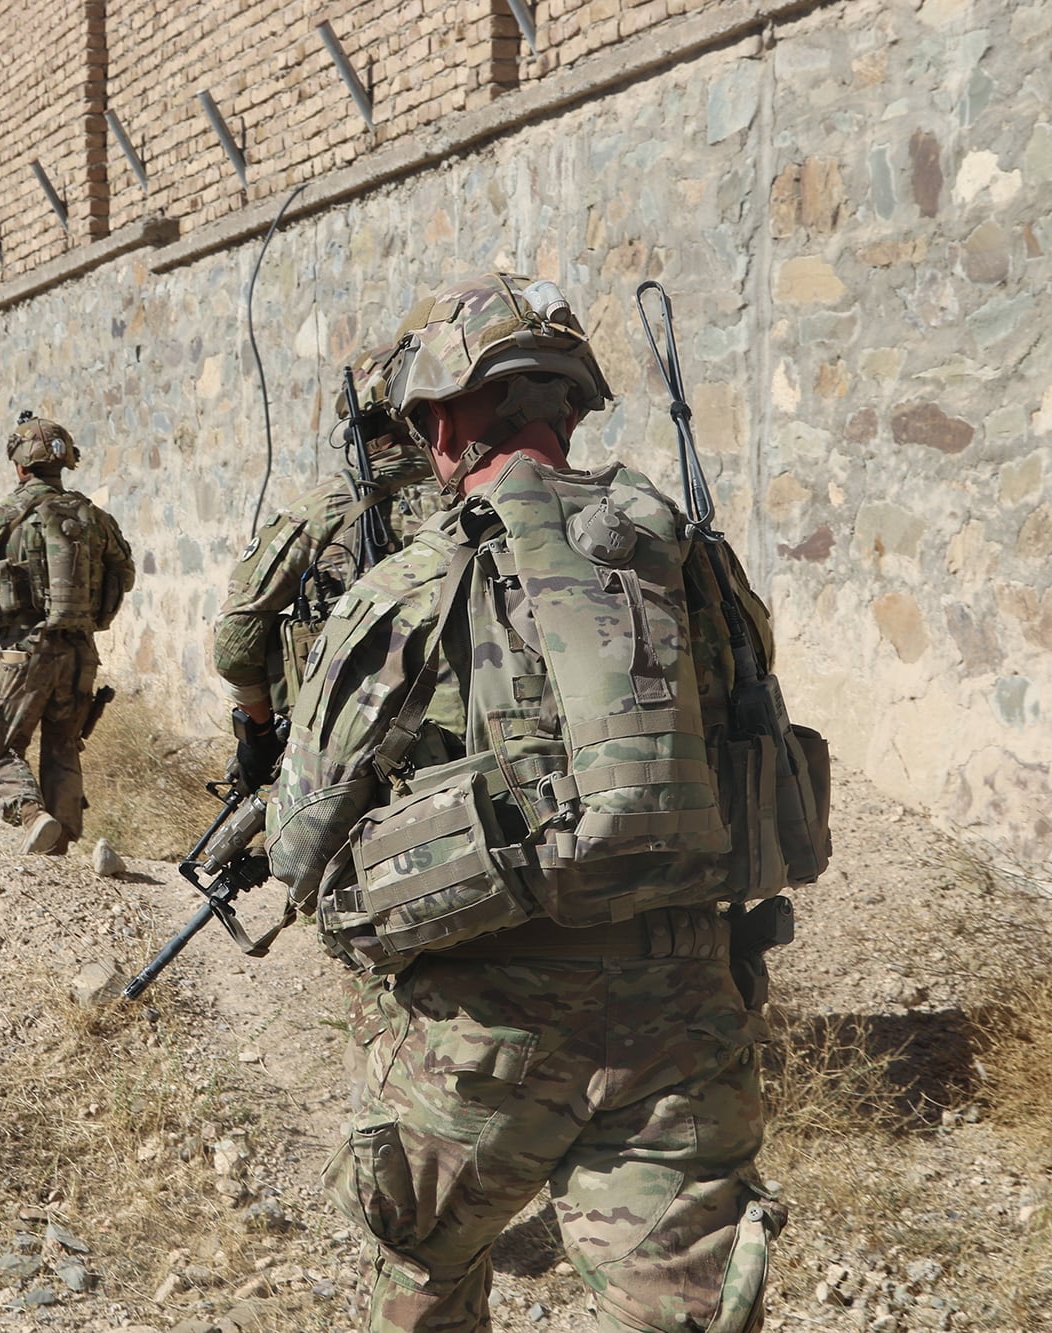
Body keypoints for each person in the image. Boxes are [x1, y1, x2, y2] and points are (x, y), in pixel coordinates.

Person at [265, 273, 827, 1333]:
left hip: (478, 1044)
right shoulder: (691, 566)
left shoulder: (408, 585)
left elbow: (301, 844)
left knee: (425, 1269)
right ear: (566, 411)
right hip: (682, 1020)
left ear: (438, 426)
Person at [212, 350, 439, 789]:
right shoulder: (481, 500)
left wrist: (260, 735)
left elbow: (234, 643)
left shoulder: (327, 509)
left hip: (340, 751)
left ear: (361, 431)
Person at [0, 411, 135, 854]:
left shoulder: (5, 513)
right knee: (63, 746)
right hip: (79, 653)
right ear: (65, 462)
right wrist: (93, 616)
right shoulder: (94, 517)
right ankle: (62, 847)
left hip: (23, 649)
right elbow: (123, 572)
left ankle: (33, 816)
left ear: (19, 466)